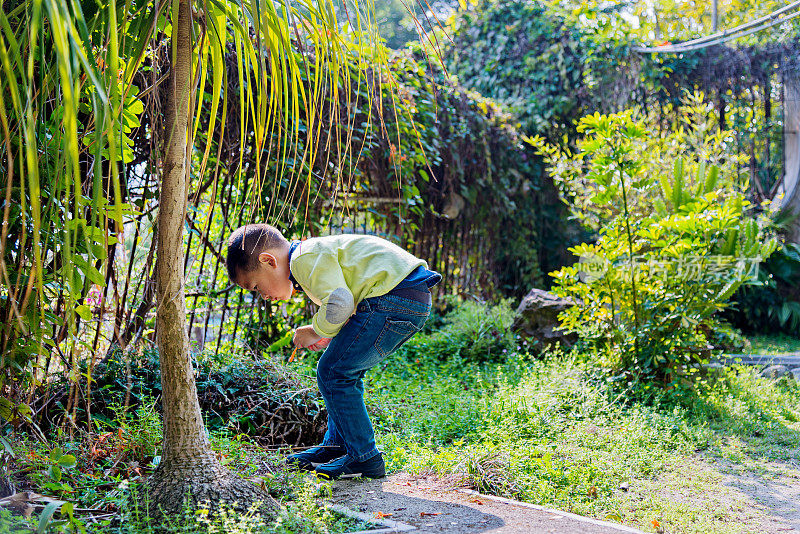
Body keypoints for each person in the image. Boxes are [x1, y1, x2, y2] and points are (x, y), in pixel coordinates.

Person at [225, 223, 441, 479]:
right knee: (340, 370)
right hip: (404, 296)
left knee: (334, 372)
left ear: (268, 261)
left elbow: (340, 301)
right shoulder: (309, 254)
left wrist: (316, 331)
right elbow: (345, 302)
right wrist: (330, 331)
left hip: (394, 297)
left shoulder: (302, 260)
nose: (263, 296)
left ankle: (365, 456)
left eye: (257, 287)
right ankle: (337, 445)